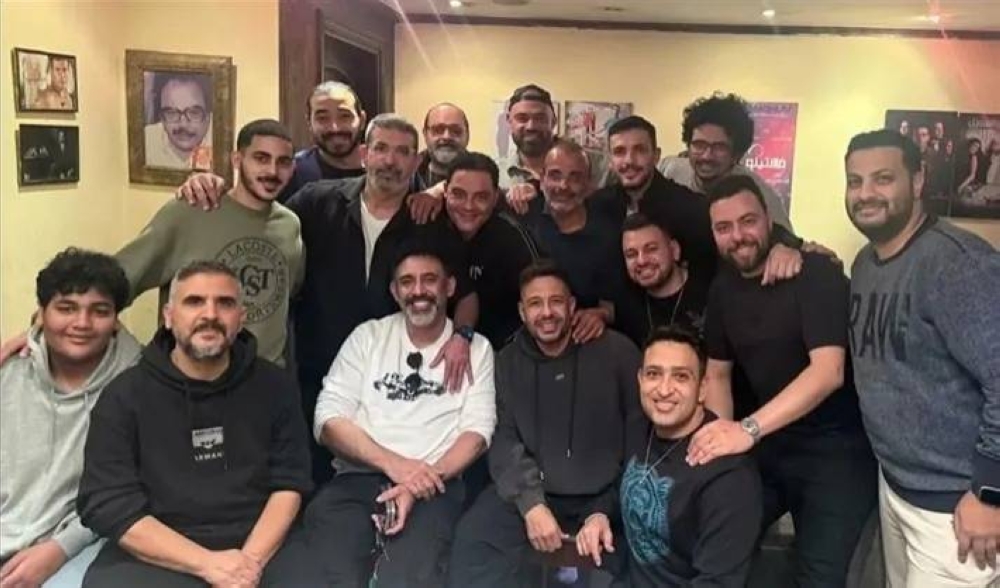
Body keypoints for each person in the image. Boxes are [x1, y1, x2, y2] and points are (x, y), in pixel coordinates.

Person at [77, 261, 315, 587]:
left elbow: (290, 484)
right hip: (161, 548)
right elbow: (109, 504)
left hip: (260, 544)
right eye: (194, 302)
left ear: (241, 317)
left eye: (225, 303)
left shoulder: (275, 386)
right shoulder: (124, 396)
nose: (210, 314)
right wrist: (208, 564)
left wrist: (247, 565)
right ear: (168, 316)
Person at [693, 174, 878, 587]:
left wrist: (746, 429)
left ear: (768, 219)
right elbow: (718, 374)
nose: (738, 236)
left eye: (748, 221)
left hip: (837, 451)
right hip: (771, 447)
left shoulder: (815, 273)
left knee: (820, 577)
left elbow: (828, 372)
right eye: (724, 227)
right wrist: (720, 438)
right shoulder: (722, 290)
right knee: (720, 539)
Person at [285, 114, 479, 485]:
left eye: (402, 152)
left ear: (416, 161)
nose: (390, 160)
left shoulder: (430, 220)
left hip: (392, 386)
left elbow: (466, 294)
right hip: (317, 369)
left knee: (387, 480)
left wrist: (463, 337)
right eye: (381, 149)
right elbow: (263, 218)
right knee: (316, 484)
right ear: (364, 154)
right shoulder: (316, 202)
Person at [845, 129, 1000, 586]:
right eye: (854, 181)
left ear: (917, 181)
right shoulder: (865, 264)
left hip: (957, 504)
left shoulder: (958, 263)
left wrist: (989, 493)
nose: (865, 193)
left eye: (883, 178)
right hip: (897, 484)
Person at [306, 243, 496, 587]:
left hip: (436, 488)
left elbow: (478, 432)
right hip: (357, 481)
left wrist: (416, 483)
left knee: (408, 578)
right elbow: (328, 418)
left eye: (429, 280)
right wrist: (394, 465)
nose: (418, 290)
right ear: (395, 291)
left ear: (450, 287)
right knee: (327, 573)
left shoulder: (477, 350)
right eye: (407, 282)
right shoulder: (368, 337)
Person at [446, 260, 645, 588]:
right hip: (533, 494)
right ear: (522, 312)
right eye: (536, 304)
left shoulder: (618, 353)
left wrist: (604, 510)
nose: (547, 313)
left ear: (571, 305)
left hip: (607, 497)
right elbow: (503, 441)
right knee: (475, 540)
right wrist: (532, 505)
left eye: (556, 301)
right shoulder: (506, 363)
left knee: (638, 554)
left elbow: (639, 445)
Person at [0, 249, 140, 588]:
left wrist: (60, 549)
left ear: (116, 320)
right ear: (40, 314)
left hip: (80, 543)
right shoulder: (8, 372)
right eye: (66, 308)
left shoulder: (138, 385)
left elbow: (128, 493)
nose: (82, 323)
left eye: (100, 311)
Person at [119, 118, 302, 365]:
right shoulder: (191, 211)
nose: (272, 171)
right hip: (194, 378)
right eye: (261, 158)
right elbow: (113, 283)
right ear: (237, 160)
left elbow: (287, 298)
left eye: (283, 162)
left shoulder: (290, 225)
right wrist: (124, 356)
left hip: (265, 378)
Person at [619, 326, 762, 588]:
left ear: (702, 388)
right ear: (640, 380)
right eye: (653, 374)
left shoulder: (729, 477)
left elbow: (717, 583)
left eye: (681, 377)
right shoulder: (639, 429)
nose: (664, 389)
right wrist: (598, 516)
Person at [591, 114, 809, 284]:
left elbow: (744, 231)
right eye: (619, 152)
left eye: (640, 150)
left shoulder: (691, 206)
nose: (629, 160)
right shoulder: (597, 205)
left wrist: (787, 246)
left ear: (656, 155)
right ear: (610, 159)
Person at [522, 139, 624, 343]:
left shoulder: (608, 236)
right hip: (529, 339)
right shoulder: (525, 214)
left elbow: (619, 304)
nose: (563, 186)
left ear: (589, 185)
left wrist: (600, 315)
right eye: (555, 175)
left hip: (585, 340)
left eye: (575, 178)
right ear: (542, 178)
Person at [443, 151, 540, 349]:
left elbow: (540, 293)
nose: (468, 206)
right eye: (459, 194)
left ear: (496, 197)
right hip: (437, 347)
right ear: (445, 191)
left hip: (501, 351)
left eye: (481, 197)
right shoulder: (431, 228)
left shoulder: (511, 238)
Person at [656, 92, 792, 229]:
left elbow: (785, 240)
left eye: (719, 147)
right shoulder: (669, 170)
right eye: (699, 145)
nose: (706, 156)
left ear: (737, 155)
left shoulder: (759, 194)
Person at [615, 212, 711, 346]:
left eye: (651, 249)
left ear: (674, 250)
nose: (641, 261)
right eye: (631, 254)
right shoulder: (626, 304)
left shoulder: (711, 294)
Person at [280, 81, 367, 201]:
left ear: (362, 120)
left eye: (344, 116)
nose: (335, 128)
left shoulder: (382, 169)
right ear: (309, 123)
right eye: (322, 118)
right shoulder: (291, 173)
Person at [144, 73, 213, 170]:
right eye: (172, 113)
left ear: (208, 116)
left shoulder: (225, 142)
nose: (183, 124)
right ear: (161, 118)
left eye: (193, 113)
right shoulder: (145, 142)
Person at [418, 102, 470, 187]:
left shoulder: (486, 180)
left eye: (455, 130)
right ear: (425, 135)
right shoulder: (404, 177)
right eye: (438, 130)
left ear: (467, 136)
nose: (446, 137)